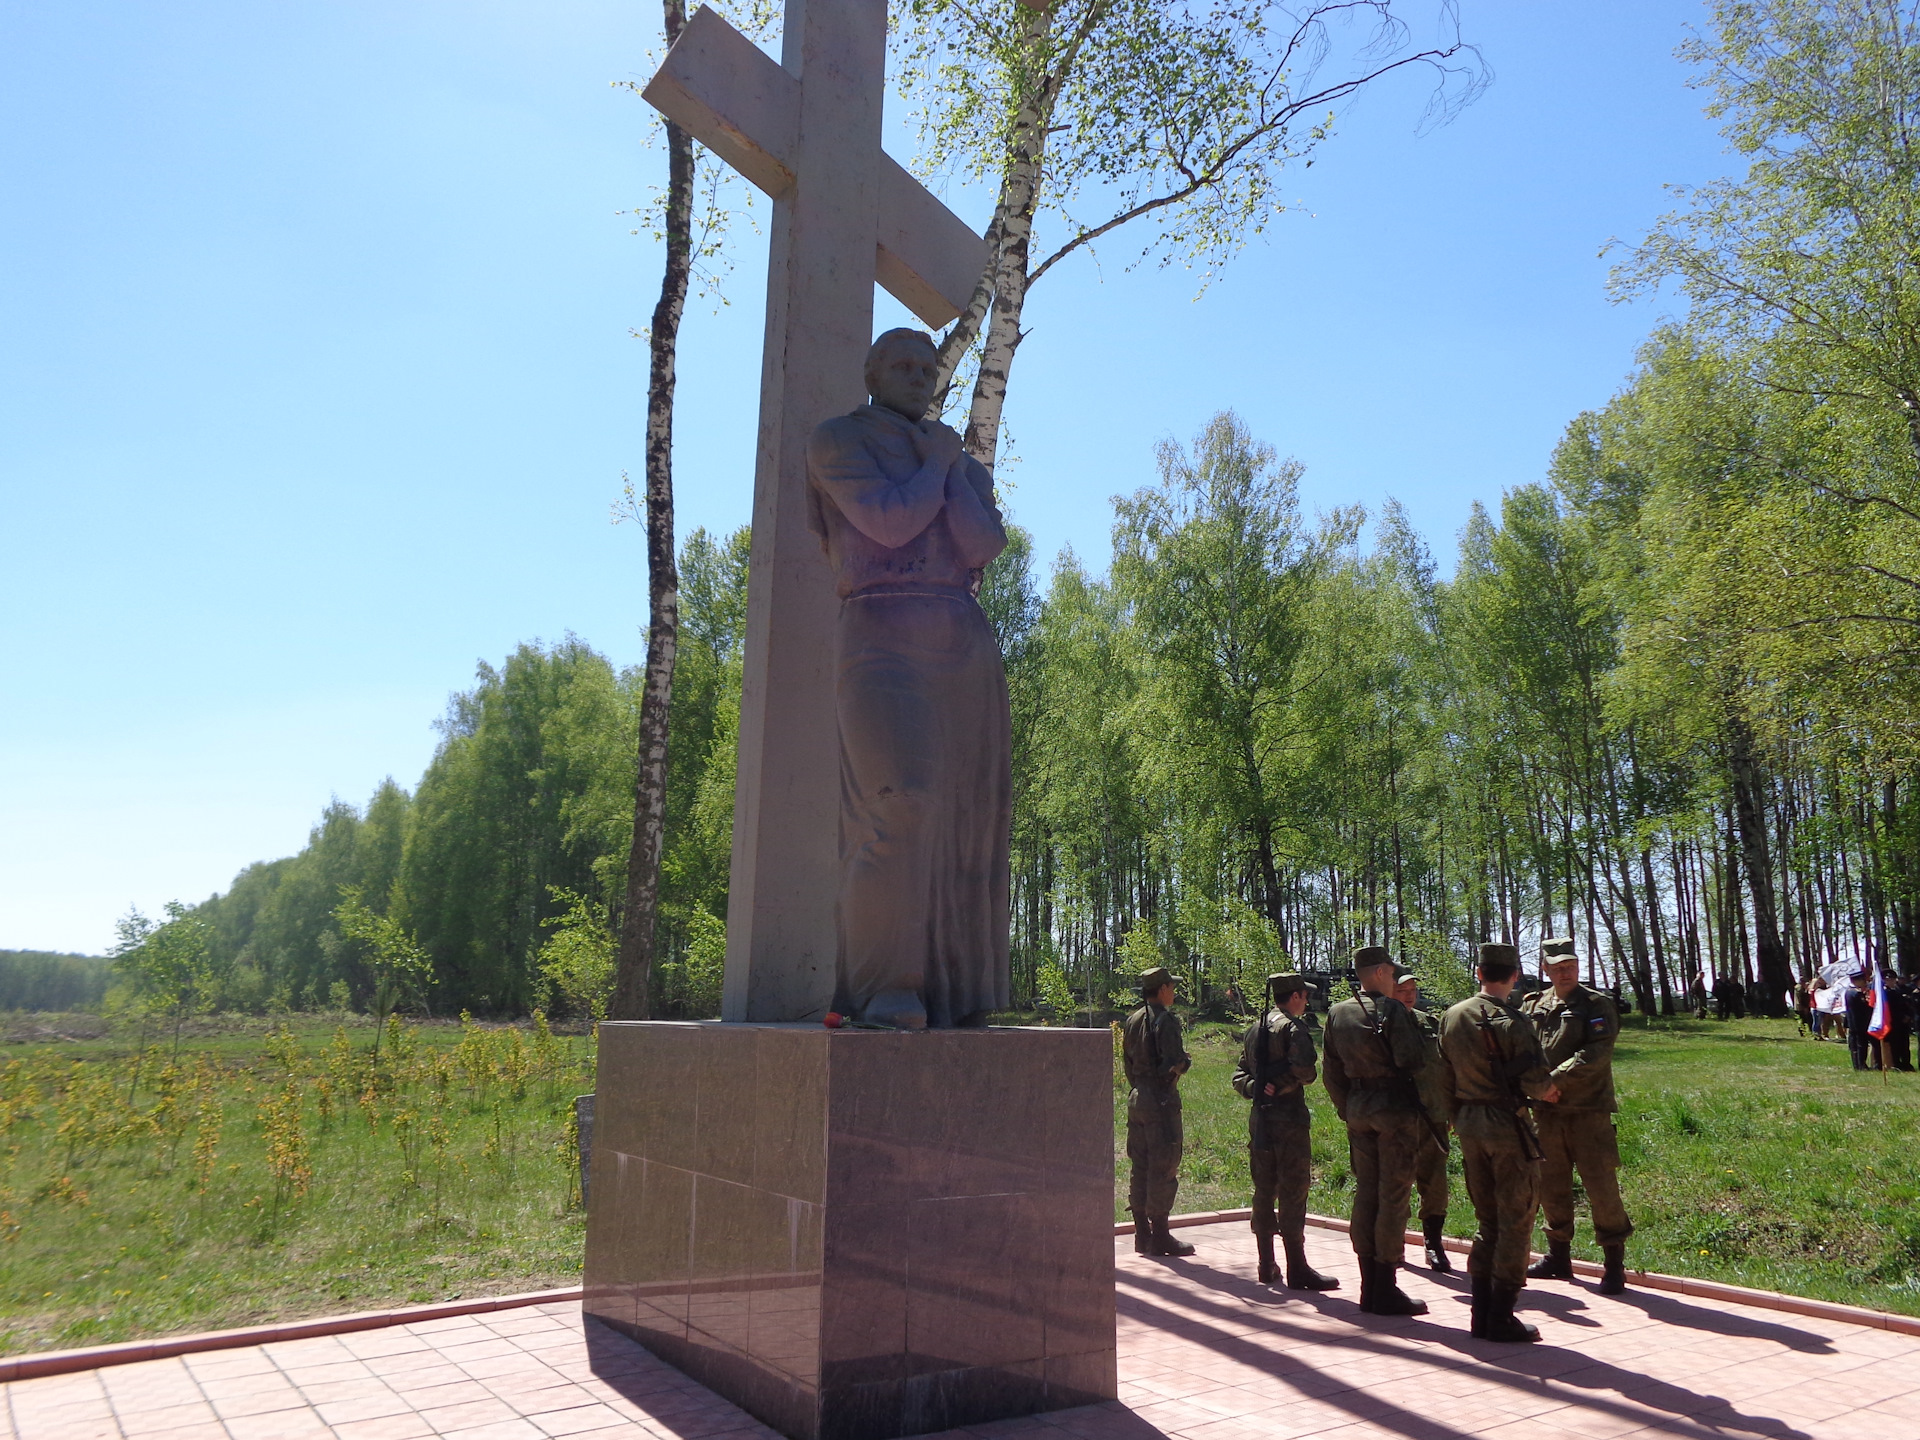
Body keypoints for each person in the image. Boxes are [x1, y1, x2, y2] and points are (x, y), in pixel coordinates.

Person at [808, 328, 1011, 1029]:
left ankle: (958, 991)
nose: (920, 376)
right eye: (903, 365)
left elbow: (983, 544)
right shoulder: (839, 440)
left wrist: (949, 466)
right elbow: (889, 524)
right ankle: (884, 985)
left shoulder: (953, 455)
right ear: (871, 373)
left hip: (961, 641)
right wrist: (936, 464)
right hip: (879, 633)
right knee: (900, 802)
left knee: (966, 822)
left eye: (929, 367)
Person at [1439, 942, 1560, 1343]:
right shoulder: (1514, 1021)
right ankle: (1501, 1314)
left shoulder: (1452, 1016)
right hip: (1507, 1124)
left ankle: (1479, 1312)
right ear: (1513, 976)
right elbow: (1536, 1081)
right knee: (1517, 1218)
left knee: (1487, 1219)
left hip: (1469, 1121)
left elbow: (1441, 1078)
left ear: (1478, 972)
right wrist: (1549, 1092)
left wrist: (1458, 1117)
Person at [1322, 945, 1438, 1316]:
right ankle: (1384, 1286)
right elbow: (1413, 1060)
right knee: (1393, 1197)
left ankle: (1368, 1284)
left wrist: (1348, 1107)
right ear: (1380, 973)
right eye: (1390, 972)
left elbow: (1332, 1072)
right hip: (1394, 1112)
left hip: (1358, 1110)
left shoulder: (1337, 1013)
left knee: (1366, 1193)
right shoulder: (1393, 1011)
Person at [1521, 937, 1633, 1295]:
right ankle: (1558, 1255)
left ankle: (1614, 1264)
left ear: (1578, 966)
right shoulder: (1533, 1004)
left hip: (1587, 1112)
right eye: (1556, 967)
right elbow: (1523, 1050)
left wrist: (1554, 1081)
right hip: (1546, 1113)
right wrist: (1536, 1088)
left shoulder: (1595, 1004)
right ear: (1545, 970)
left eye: (1569, 965)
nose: (1564, 971)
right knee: (1551, 1186)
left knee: (1601, 1187)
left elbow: (1597, 1052)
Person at [1231, 973, 1340, 1290]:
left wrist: (1256, 1088)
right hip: (1288, 1118)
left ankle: (1266, 1264)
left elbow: (1240, 1075)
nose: (1306, 1000)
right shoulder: (1293, 1028)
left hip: (1260, 1119)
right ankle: (1297, 1268)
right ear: (1294, 996)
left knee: (1264, 1187)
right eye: (1304, 995)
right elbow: (1306, 1073)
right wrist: (1279, 1087)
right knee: (1293, 1188)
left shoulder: (1254, 1029)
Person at [1123, 965, 1194, 1256]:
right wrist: (1184, 1064)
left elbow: (1127, 1063)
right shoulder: (1165, 1020)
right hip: (1161, 1100)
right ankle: (1161, 1235)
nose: (1173, 992)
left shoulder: (1132, 1020)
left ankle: (1142, 1233)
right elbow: (1174, 1061)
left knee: (1140, 1163)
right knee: (1164, 1163)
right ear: (1162, 989)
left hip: (1137, 1097)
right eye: (1171, 987)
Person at [1394, 973, 1453, 1274]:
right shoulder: (1381, 1022)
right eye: (1402, 990)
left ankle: (1433, 1243)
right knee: (1397, 1180)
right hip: (1396, 1118)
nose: (1409, 995)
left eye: (1413, 990)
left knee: (1435, 1182)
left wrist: (1450, 1108)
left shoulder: (1428, 1022)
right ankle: (1394, 1243)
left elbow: (1446, 1067)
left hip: (1432, 1115)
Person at [1846, 971, 1879, 1071]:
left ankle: (1860, 1065)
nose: (1865, 982)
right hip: (1859, 1024)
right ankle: (1860, 1065)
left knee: (1858, 1046)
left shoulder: (1850, 991)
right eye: (1862, 980)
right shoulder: (1855, 993)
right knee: (1860, 1046)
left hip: (1856, 1023)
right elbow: (1865, 1008)